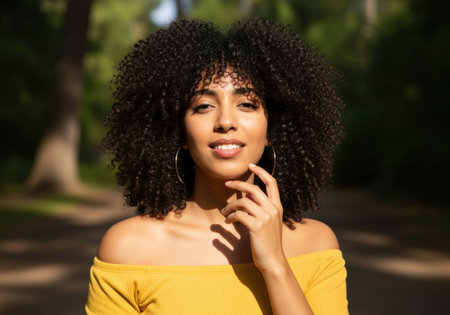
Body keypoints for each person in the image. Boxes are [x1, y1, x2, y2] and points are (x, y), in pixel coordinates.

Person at [85, 18, 348, 315]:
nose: (225, 121)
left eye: (246, 104)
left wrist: (275, 263)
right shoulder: (129, 248)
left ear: (272, 128)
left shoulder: (316, 244)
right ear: (181, 133)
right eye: (203, 106)